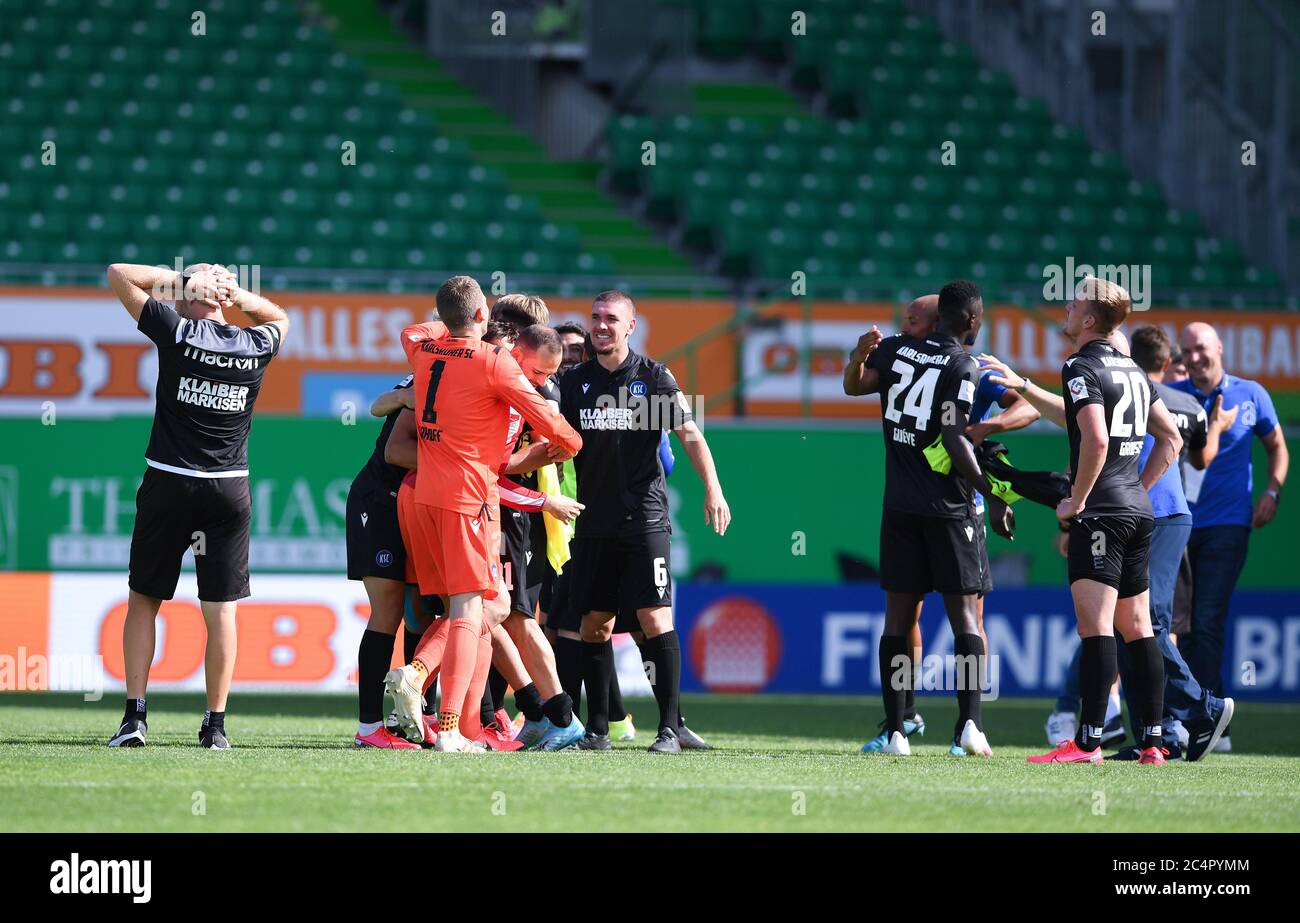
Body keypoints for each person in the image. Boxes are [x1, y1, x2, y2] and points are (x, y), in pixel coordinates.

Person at [382, 276, 582, 752]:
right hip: (468, 497)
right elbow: (550, 421)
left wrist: (453, 325)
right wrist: (570, 445)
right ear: (482, 317)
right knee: (472, 608)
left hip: (424, 493)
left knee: (466, 607)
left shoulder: (424, 350)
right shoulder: (495, 365)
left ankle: (441, 702)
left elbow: (414, 330)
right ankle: (448, 723)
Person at [105, 262, 289, 750]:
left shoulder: (178, 331)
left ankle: (135, 718)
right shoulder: (254, 345)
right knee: (221, 611)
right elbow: (281, 318)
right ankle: (215, 726)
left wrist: (177, 279)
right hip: (228, 490)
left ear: (190, 298)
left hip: (170, 481)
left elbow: (118, 274)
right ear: (223, 301)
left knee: (145, 600)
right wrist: (238, 294)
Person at [846, 294, 1038, 755]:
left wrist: (984, 429)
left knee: (899, 618)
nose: (904, 320)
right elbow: (957, 433)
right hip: (955, 508)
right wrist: (994, 491)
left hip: (902, 508)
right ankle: (965, 724)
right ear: (969, 321)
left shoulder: (896, 350)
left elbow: (1022, 408)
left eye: (913, 316)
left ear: (935, 320)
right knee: (964, 619)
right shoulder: (964, 366)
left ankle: (896, 728)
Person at [561, 290, 731, 753]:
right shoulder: (575, 382)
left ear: (631, 326)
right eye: (595, 317)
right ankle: (597, 729)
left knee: (654, 617)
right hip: (593, 523)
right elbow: (553, 442)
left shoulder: (652, 379)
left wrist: (712, 489)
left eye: (611, 319)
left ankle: (670, 728)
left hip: (644, 520)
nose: (600, 325)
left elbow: (689, 434)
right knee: (595, 624)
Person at [1027, 277, 1181, 765]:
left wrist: (1077, 499)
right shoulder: (1134, 369)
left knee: (1095, 628)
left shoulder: (1080, 365)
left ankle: (1088, 741)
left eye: (1074, 303)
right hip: (1137, 510)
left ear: (1090, 319)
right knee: (1138, 628)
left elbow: (1094, 441)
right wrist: (1139, 490)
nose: (1067, 309)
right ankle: (1154, 741)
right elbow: (1172, 439)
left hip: (1103, 515)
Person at [1171, 322, 1289, 752]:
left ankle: (1210, 720)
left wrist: (1273, 491)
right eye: (1187, 350)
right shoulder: (1175, 396)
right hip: (1177, 524)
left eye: (1201, 348)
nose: (1195, 356)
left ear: (1219, 348)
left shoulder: (1252, 393)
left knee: (1205, 622)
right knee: (1174, 627)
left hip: (1227, 526)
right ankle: (1188, 719)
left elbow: (1278, 445)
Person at [346, 372, 423, 749]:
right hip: (380, 500)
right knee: (388, 610)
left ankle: (410, 715)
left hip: (413, 502)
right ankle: (368, 727)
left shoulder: (454, 370)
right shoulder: (433, 373)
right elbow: (381, 413)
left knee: (421, 608)